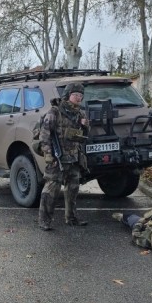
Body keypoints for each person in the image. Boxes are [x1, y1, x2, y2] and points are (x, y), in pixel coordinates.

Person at [38, 83, 90, 231]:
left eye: (81, 96)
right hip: (57, 157)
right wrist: (49, 155)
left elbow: (85, 136)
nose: (79, 98)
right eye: (76, 95)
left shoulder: (80, 114)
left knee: (73, 188)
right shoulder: (55, 112)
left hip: (73, 157)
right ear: (67, 95)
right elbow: (44, 136)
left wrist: (85, 126)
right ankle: (44, 220)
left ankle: (71, 218)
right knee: (51, 190)